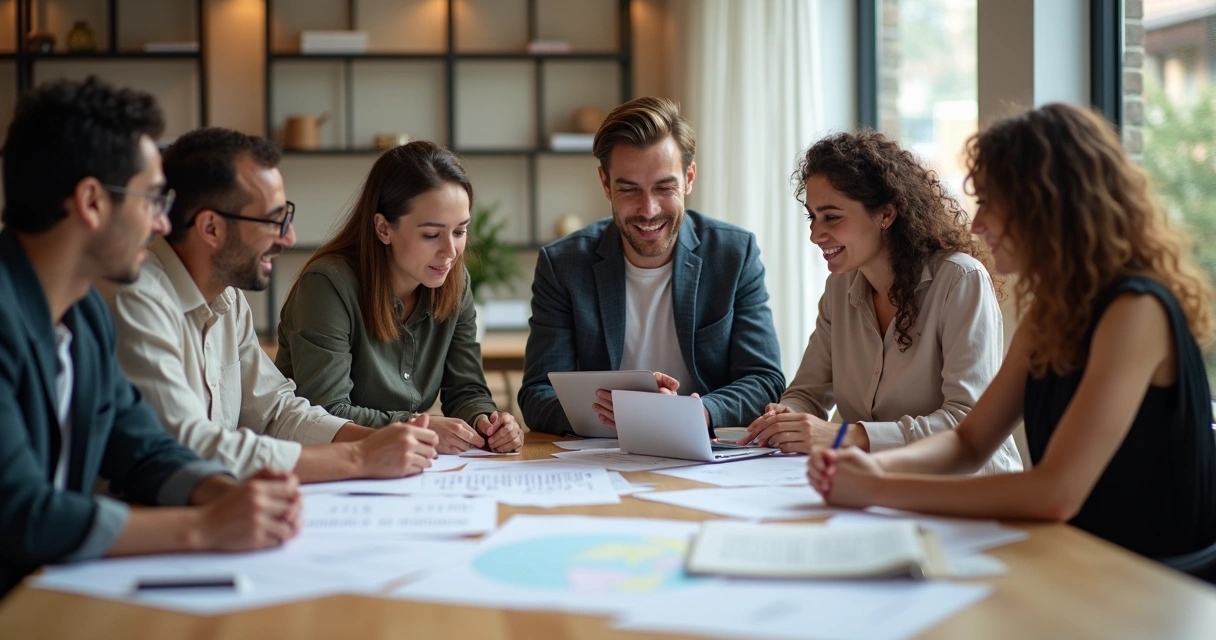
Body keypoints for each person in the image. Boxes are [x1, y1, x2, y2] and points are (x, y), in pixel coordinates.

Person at [808, 103, 1216, 560]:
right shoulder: (1054, 311)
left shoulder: (1135, 311)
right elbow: (968, 441)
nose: (977, 223)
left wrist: (878, 487)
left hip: (1151, 574)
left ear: (1045, 204)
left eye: (990, 202)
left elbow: (1055, 493)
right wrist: (866, 466)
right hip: (1081, 556)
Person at [0, 77, 302, 596]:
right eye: (152, 200)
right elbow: (20, 512)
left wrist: (221, 492)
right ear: (92, 201)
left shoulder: (84, 316)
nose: (164, 224)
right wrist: (203, 527)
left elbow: (142, 448)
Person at [103, 127, 438, 482]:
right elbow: (188, 446)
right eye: (273, 220)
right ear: (211, 228)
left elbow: (275, 411)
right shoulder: (136, 300)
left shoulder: (228, 299)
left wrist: (378, 441)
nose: (288, 237)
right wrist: (359, 457)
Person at [741, 131, 1021, 474]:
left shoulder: (960, 280)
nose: (815, 234)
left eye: (832, 217)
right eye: (812, 217)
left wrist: (845, 436)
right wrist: (786, 416)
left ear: (886, 214)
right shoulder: (839, 288)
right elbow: (807, 393)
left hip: (966, 489)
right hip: (878, 485)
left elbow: (964, 423)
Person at [518, 96, 785, 435]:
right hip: (604, 452)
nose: (648, 210)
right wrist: (618, 413)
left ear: (689, 178)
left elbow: (764, 380)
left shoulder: (734, 254)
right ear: (605, 184)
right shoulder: (563, 265)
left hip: (705, 449)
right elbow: (536, 394)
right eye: (629, 190)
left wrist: (694, 412)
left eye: (664, 188)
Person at [275, 142, 523, 454]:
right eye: (431, 235)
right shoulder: (327, 285)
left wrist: (488, 423)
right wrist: (416, 426)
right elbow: (326, 415)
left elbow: (466, 390)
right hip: (320, 465)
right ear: (383, 228)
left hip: (403, 465)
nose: (450, 252)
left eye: (460, 231)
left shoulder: (455, 284)